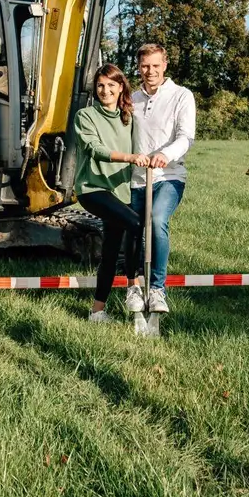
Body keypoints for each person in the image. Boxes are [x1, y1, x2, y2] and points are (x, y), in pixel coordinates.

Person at [70, 64, 150, 323]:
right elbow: (94, 148)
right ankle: (132, 285)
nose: (105, 90)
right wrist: (130, 158)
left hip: (120, 191)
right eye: (101, 85)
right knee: (136, 223)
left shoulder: (128, 117)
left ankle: (97, 311)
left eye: (111, 86)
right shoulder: (85, 115)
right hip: (93, 189)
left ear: (120, 88)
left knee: (111, 251)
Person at [127, 43, 195, 315]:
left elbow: (185, 136)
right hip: (136, 179)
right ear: (139, 67)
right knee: (132, 228)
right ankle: (132, 287)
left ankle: (157, 289)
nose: (150, 71)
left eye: (155, 65)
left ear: (165, 65)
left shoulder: (181, 95)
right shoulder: (132, 99)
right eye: (145, 66)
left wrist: (165, 155)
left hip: (168, 176)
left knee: (156, 220)